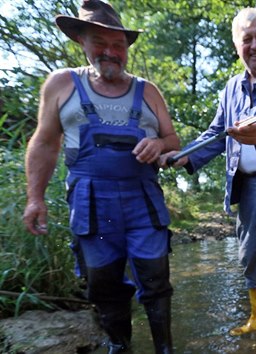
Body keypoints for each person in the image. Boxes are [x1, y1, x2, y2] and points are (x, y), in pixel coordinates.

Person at [21, 1, 180, 353]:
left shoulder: (149, 91)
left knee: (156, 282)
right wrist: (36, 198)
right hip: (91, 204)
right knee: (104, 285)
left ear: (126, 48)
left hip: (144, 203)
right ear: (82, 42)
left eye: (118, 45)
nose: (110, 52)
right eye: (100, 43)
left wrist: (158, 143)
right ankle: (119, 346)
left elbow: (172, 140)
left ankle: (165, 349)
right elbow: (45, 143)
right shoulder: (61, 84)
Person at [160, 7, 256, 354]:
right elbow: (216, 133)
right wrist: (187, 155)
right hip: (246, 188)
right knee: (251, 256)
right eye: (248, 39)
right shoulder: (230, 88)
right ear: (237, 45)